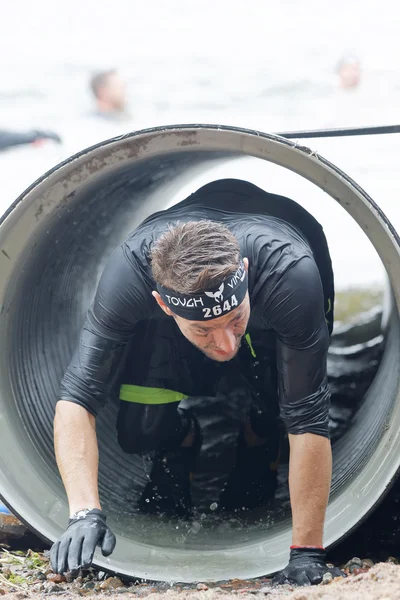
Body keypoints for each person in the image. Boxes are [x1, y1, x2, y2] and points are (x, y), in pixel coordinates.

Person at [50, 178, 346, 586]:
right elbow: (78, 395)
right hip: (185, 280)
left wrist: (308, 551)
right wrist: (84, 511)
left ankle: (256, 440)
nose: (225, 344)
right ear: (161, 304)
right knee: (139, 431)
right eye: (204, 331)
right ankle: (185, 439)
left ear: (243, 271)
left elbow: (309, 415)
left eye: (233, 321)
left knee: (281, 409)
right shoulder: (131, 272)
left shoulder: (289, 273)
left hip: (285, 263)